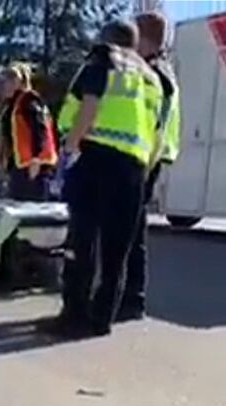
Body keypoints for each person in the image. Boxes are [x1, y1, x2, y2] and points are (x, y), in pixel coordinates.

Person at [45, 21, 164, 339]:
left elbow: (91, 105)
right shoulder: (152, 78)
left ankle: (74, 315)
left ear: (107, 39)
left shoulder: (104, 59)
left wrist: (70, 151)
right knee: (116, 249)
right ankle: (101, 320)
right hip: (134, 167)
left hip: (95, 157)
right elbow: (157, 133)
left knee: (82, 240)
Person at [120, 12, 181, 322]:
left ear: (144, 39)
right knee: (130, 232)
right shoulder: (159, 71)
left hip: (145, 161)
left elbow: (157, 126)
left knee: (130, 234)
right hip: (145, 160)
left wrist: (143, 166)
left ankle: (131, 300)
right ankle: (128, 298)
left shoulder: (156, 74)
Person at [0, 63, 58, 201]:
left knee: (32, 209)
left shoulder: (29, 100)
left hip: (33, 166)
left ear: (19, 81)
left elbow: (39, 128)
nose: (5, 84)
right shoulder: (12, 105)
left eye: (10, 79)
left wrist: (36, 158)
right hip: (20, 166)